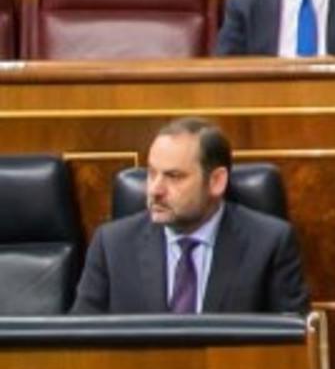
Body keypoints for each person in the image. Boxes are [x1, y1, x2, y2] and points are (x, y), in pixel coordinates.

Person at [72, 118, 310, 316]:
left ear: (216, 182)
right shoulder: (112, 245)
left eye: (174, 176)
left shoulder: (269, 244)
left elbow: (293, 348)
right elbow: (79, 344)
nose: (155, 189)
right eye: (152, 173)